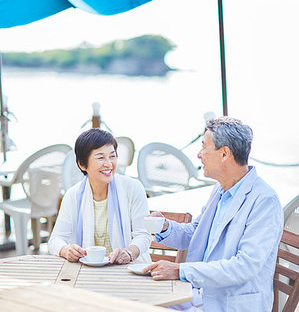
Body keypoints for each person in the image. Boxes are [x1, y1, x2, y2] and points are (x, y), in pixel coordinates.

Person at [143, 117, 283, 312]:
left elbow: (244, 266)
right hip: (202, 296)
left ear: (224, 153)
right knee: (138, 302)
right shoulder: (220, 190)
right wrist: (166, 227)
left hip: (230, 305)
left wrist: (180, 270)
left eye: (204, 147)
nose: (199, 155)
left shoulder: (265, 201)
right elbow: (196, 234)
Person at [48, 128, 151, 264]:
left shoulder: (133, 188)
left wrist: (129, 253)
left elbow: (143, 235)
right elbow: (55, 240)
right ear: (82, 164)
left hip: (128, 270)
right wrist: (66, 250)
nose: (108, 164)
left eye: (112, 156)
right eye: (101, 157)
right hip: (87, 272)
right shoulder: (73, 195)